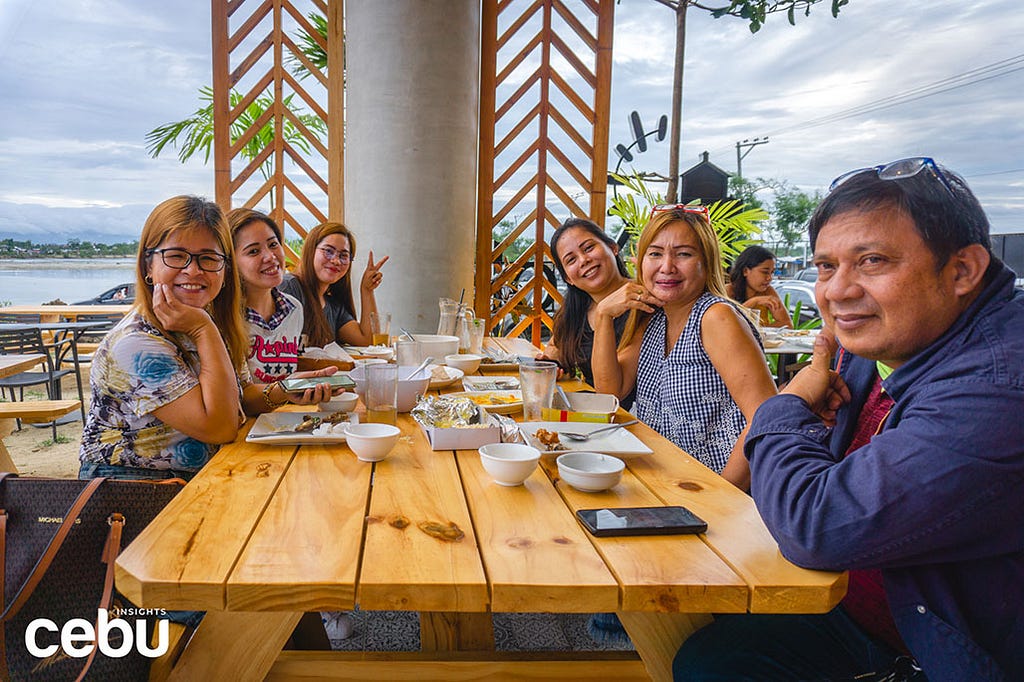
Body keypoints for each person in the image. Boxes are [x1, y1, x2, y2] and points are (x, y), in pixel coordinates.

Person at [674, 158, 1024, 681]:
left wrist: (784, 405)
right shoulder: (876, 340)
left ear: (962, 271)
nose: (837, 291)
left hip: (941, 650)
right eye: (825, 266)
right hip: (848, 603)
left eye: (872, 261)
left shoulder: (999, 385)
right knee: (705, 654)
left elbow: (816, 522)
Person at [80, 196, 336, 481]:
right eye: (176, 256)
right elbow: (220, 427)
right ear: (148, 266)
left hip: (207, 474)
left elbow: (242, 394)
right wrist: (204, 329)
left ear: (224, 269)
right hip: (136, 488)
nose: (193, 270)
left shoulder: (208, 320)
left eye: (208, 258)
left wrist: (286, 390)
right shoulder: (136, 342)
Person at [591, 205, 777, 490]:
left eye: (684, 254)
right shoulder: (655, 319)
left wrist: (723, 495)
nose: (667, 267)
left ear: (706, 261)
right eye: (655, 253)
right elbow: (609, 392)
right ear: (641, 262)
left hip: (714, 495)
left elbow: (765, 420)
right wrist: (604, 316)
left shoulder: (715, 317)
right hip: (662, 485)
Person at [543, 218, 631, 388]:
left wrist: (604, 314)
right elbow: (554, 347)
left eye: (589, 248)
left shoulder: (640, 301)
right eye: (571, 260)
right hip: (589, 408)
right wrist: (553, 362)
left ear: (613, 248)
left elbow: (611, 391)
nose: (583, 260)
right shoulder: (577, 310)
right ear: (568, 278)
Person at [279, 221, 388, 347]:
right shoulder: (288, 288)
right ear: (311, 250)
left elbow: (367, 341)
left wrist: (367, 290)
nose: (336, 261)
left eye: (343, 255)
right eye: (328, 251)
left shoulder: (333, 306)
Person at [229, 207, 304, 383]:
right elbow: (237, 395)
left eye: (273, 244)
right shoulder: (223, 318)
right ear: (230, 262)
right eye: (253, 251)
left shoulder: (294, 309)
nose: (270, 257)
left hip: (287, 410)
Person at [726, 244, 793, 328]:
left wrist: (761, 332)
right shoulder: (728, 291)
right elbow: (726, 324)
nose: (769, 278)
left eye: (772, 272)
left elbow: (787, 324)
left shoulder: (768, 291)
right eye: (765, 272)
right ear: (745, 271)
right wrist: (754, 302)